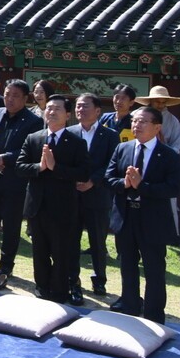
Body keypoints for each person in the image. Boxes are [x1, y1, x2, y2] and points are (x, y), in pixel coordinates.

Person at [105, 105, 180, 323]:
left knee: (154, 269)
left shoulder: (168, 155)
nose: (136, 125)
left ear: (157, 127)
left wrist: (142, 186)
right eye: (134, 121)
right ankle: (130, 308)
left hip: (153, 220)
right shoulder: (123, 148)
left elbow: (173, 188)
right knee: (127, 265)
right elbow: (108, 178)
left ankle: (154, 315)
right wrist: (124, 183)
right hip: (126, 216)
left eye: (142, 121)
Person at [17, 94, 90, 303]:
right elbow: (20, 167)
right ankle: (41, 287)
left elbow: (83, 172)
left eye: (57, 109)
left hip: (63, 206)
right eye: (49, 108)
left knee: (61, 251)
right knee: (39, 250)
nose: (51, 112)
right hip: (37, 205)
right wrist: (39, 167)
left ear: (67, 115)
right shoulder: (34, 138)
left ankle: (59, 291)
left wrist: (55, 168)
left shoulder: (76, 142)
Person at [0, 79, 43, 291]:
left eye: (16, 95)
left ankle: (5, 267)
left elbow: (30, 149)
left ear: (25, 98)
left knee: (11, 227)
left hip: (15, 181)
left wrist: (4, 159)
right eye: (7, 94)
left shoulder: (34, 121)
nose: (10, 99)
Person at [72, 93, 118, 299]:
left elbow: (112, 164)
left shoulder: (109, 135)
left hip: (98, 195)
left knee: (98, 242)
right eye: (78, 106)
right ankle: (73, 279)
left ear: (98, 111)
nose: (80, 110)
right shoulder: (70, 132)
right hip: (73, 195)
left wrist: (92, 181)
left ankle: (99, 280)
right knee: (71, 239)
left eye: (85, 106)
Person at [134, 86, 180, 153]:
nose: (160, 105)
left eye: (163, 102)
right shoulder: (136, 116)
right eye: (157, 102)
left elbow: (176, 146)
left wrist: (167, 154)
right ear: (151, 101)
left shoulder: (173, 121)